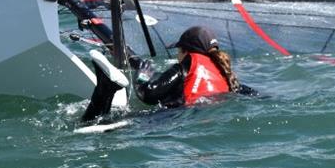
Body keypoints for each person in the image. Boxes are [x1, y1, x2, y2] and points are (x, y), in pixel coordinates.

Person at [82, 26, 254, 121]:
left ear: (186, 51)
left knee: (94, 125)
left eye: (178, 50)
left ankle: (106, 87)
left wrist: (142, 73)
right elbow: (249, 93)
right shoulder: (224, 74)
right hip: (195, 117)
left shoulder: (186, 65)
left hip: (170, 118)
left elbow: (148, 93)